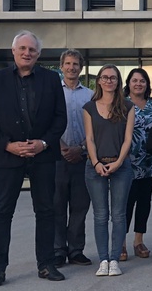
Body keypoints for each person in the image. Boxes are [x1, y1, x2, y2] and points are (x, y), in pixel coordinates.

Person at [0, 30, 68, 287]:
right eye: (23, 49)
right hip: (8, 157)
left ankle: (46, 264)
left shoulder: (52, 79)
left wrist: (43, 143)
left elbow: (59, 118)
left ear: (38, 54)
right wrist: (7, 145)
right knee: (2, 212)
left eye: (32, 50)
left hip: (42, 155)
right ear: (14, 51)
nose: (27, 53)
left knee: (46, 211)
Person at [83, 65, 134, 277]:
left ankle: (115, 259)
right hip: (95, 167)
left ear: (118, 81)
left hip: (120, 166)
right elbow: (90, 139)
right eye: (105, 77)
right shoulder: (89, 107)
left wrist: (119, 162)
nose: (108, 81)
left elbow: (128, 139)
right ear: (99, 81)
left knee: (119, 215)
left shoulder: (128, 107)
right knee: (101, 215)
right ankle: (103, 259)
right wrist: (95, 163)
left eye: (113, 78)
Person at [53, 49, 92, 268]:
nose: (71, 67)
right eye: (68, 63)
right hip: (57, 158)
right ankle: (58, 250)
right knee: (57, 206)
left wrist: (80, 148)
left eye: (76, 64)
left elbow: (94, 128)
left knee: (80, 207)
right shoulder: (53, 92)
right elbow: (47, 123)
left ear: (81, 67)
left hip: (83, 158)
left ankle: (76, 250)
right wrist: (63, 148)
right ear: (61, 66)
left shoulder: (89, 95)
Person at [123, 67, 152, 260]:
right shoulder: (121, 104)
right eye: (135, 80)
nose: (138, 84)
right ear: (128, 84)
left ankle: (138, 240)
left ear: (147, 84)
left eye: (142, 81)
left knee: (144, 202)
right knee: (126, 204)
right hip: (126, 163)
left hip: (149, 163)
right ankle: (120, 242)